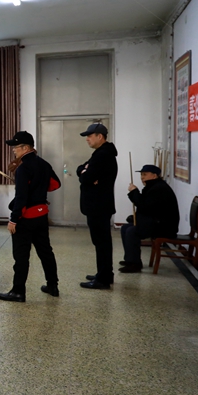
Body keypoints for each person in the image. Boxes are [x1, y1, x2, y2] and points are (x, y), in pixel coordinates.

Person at [0, 131, 61, 302]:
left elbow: (21, 198)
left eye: (16, 147)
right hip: (41, 215)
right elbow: (55, 184)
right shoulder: (44, 164)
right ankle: (53, 286)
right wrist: (39, 190)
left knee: (21, 256)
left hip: (25, 218)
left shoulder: (23, 168)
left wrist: (13, 220)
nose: (13, 150)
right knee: (45, 252)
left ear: (26, 148)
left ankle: (18, 291)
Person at [76, 123, 118, 290]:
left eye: (90, 136)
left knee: (102, 243)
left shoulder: (103, 155)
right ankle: (105, 273)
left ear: (100, 136)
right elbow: (81, 169)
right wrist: (84, 171)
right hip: (98, 205)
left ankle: (103, 279)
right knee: (101, 242)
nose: (87, 139)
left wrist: (86, 174)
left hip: (98, 205)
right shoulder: (100, 153)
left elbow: (86, 178)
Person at [119, 164, 179, 273]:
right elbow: (145, 205)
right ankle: (130, 260)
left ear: (154, 175)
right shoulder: (152, 186)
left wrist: (134, 192)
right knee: (125, 228)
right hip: (155, 222)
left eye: (145, 174)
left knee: (132, 231)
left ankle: (135, 264)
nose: (142, 177)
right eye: (141, 175)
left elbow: (144, 207)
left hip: (163, 226)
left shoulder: (159, 189)